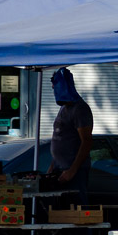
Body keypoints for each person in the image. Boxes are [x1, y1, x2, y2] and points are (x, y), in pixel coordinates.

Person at [48, 67, 94, 205]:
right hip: (59, 169)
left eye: (55, 87)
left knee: (76, 210)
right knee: (60, 211)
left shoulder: (80, 109)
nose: (54, 91)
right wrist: (52, 165)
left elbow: (86, 141)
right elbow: (59, 139)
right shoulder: (63, 108)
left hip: (73, 171)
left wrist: (72, 170)